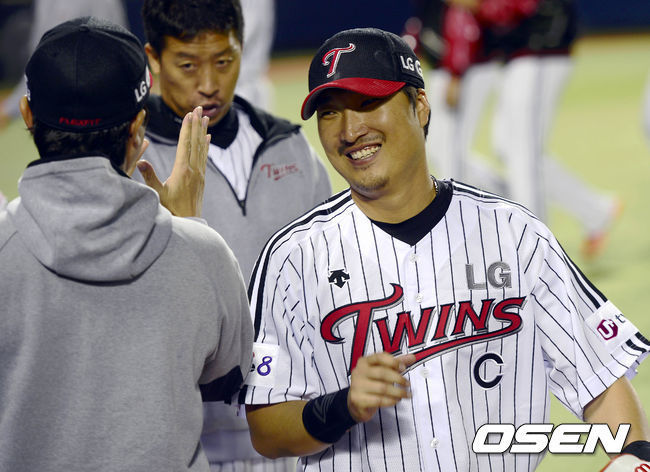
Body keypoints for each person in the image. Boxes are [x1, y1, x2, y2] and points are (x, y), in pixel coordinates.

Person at [241, 27, 650, 471]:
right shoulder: (293, 258)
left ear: (419, 105)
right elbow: (267, 430)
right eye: (330, 113)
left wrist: (635, 457)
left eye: (368, 103)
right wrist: (343, 407)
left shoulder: (514, 234)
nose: (350, 130)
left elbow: (600, 377)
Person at [0, 17, 253, 471]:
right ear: (138, 128)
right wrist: (188, 229)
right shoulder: (204, 254)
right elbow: (226, 388)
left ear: (28, 116)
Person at [139, 1, 332, 470]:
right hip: (186, 442)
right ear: (154, 59)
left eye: (224, 61)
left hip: (289, 427)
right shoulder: (130, 160)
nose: (209, 83)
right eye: (188, 65)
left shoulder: (289, 146)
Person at [0, 0, 129, 129]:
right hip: (69, 109)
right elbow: (40, 61)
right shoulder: (44, 3)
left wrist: (9, 108)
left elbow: (52, 61)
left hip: (94, 112)